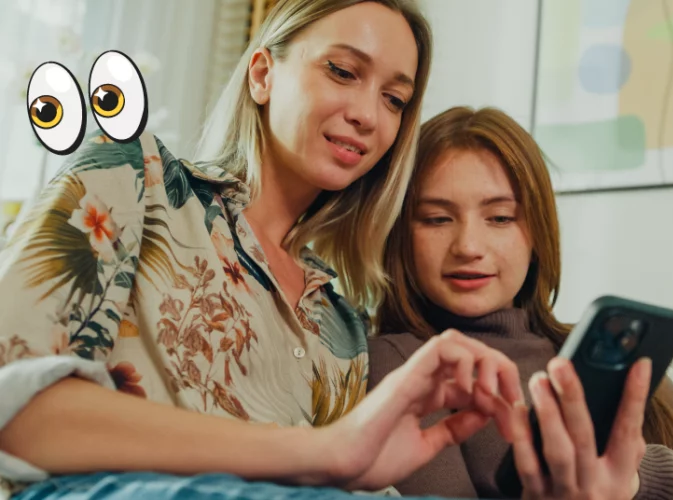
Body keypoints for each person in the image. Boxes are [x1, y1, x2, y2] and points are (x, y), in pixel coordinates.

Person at [0, 2, 527, 499]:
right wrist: (319, 451)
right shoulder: (134, 177)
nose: (368, 114)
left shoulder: (341, 326)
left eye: (395, 99)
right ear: (261, 75)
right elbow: (14, 406)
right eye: (342, 71)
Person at [368, 106, 673, 500]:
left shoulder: (601, 346)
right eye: (437, 219)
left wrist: (629, 478)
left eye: (501, 218)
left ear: (538, 231)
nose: (469, 247)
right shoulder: (400, 360)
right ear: (401, 233)